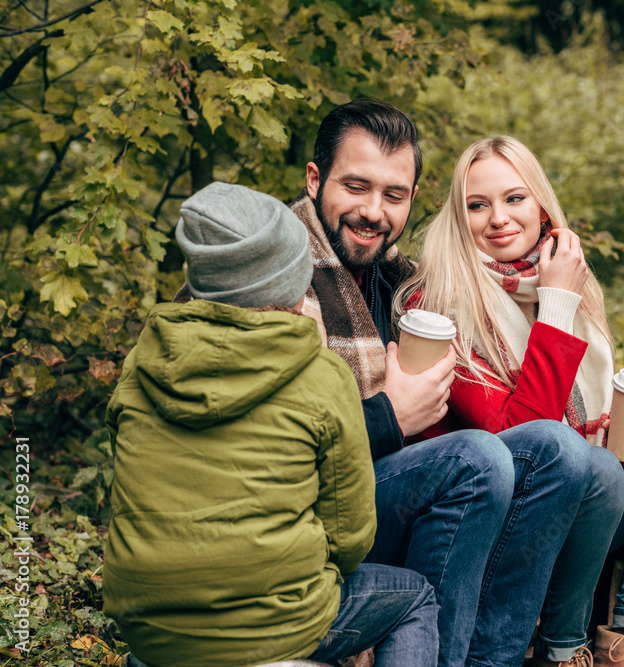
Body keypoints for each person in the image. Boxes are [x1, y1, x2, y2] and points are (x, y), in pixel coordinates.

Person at [292, 98, 619, 667]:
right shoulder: (282, 279)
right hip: (317, 511)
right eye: (356, 187)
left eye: (393, 195)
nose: (373, 211)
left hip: (387, 493)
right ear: (315, 180)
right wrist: (390, 416)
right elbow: (273, 447)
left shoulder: (390, 276)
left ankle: (592, 639)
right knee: (487, 457)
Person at [396, 136, 624, 667]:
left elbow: (578, 428)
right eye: (477, 205)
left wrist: (622, 434)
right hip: (506, 523)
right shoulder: (438, 302)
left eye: (514, 198)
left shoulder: (559, 283)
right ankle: (562, 649)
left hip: (578, 501)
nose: (498, 218)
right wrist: (556, 305)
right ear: (458, 217)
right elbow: (527, 442)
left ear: (542, 207)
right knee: (590, 464)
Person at [103, 182, 438, 667]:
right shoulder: (320, 375)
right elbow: (349, 539)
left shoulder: (142, 363)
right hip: (277, 628)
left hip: (149, 631)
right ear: (291, 283)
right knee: (415, 597)